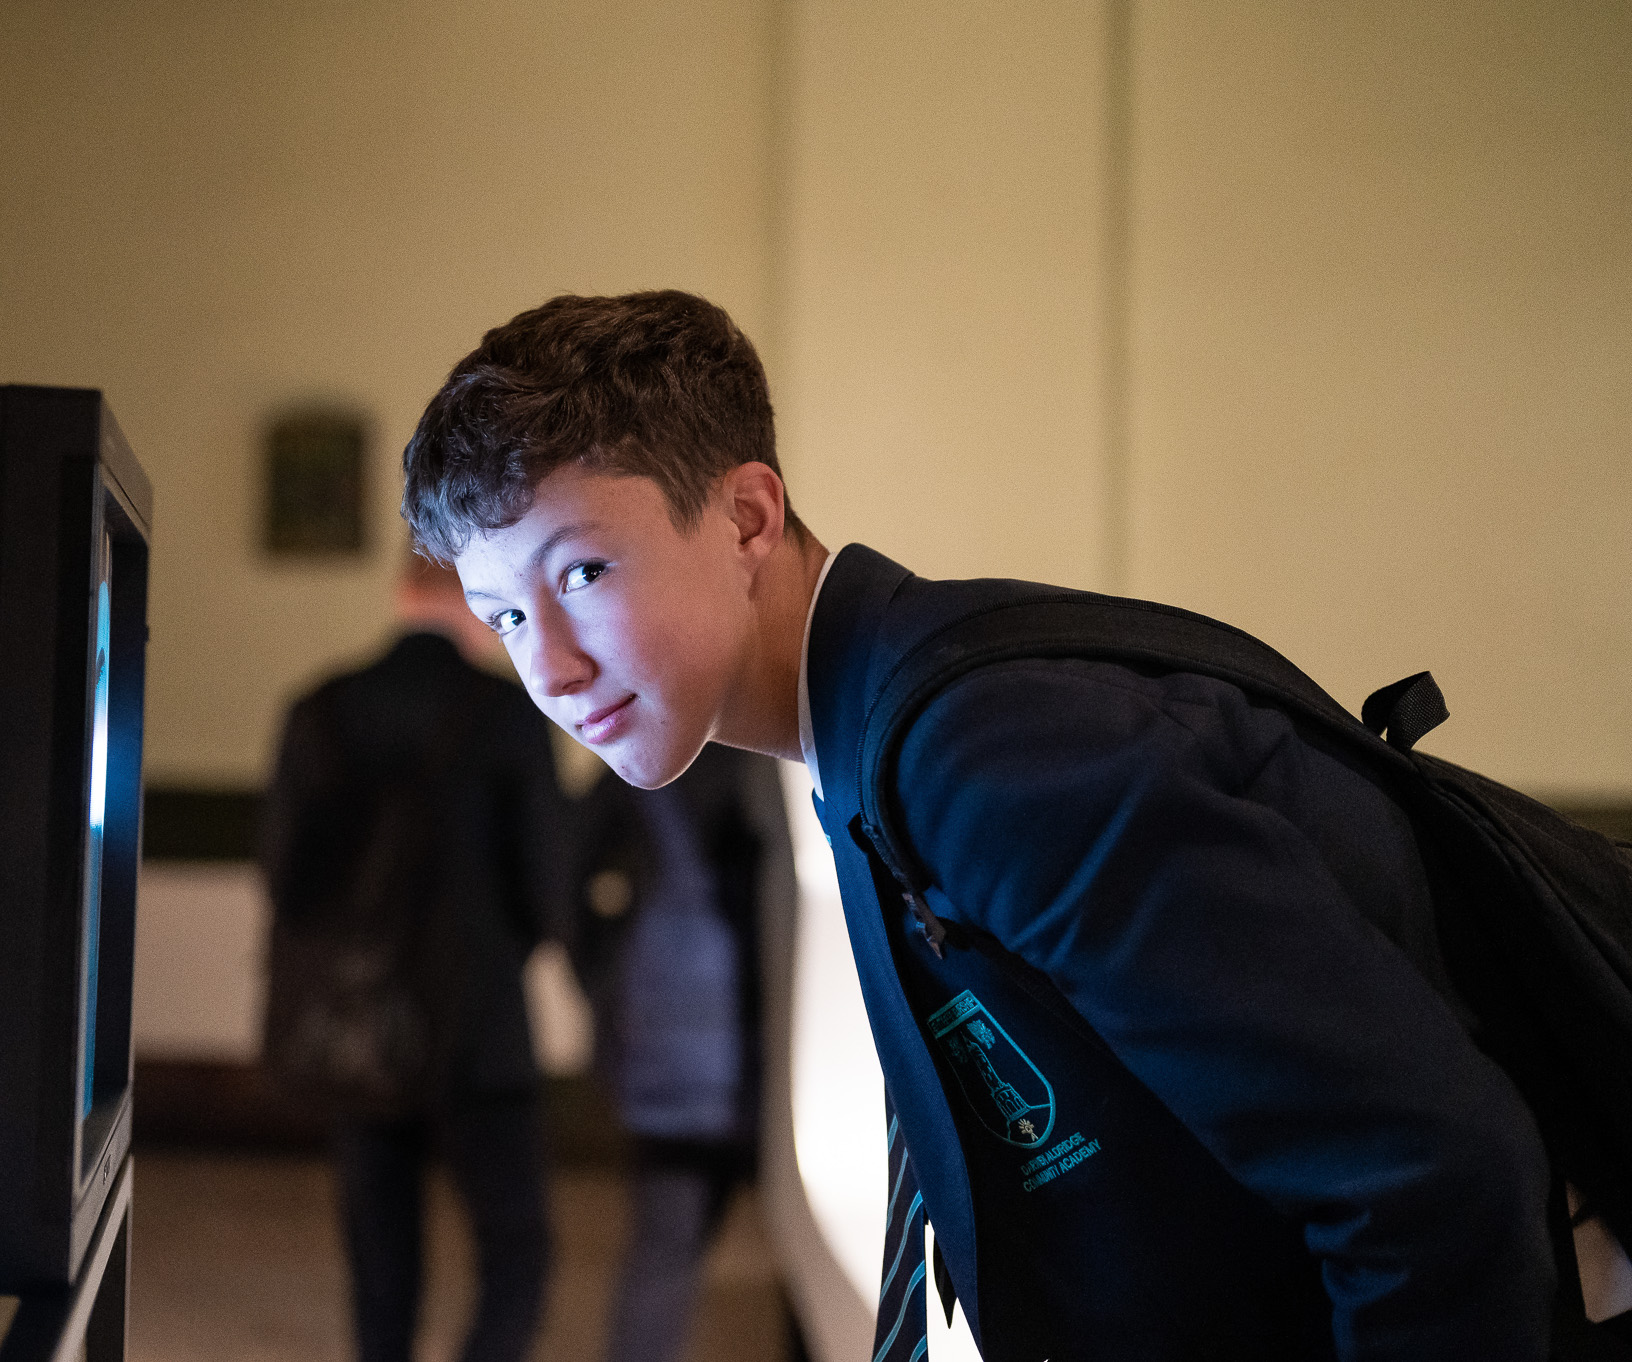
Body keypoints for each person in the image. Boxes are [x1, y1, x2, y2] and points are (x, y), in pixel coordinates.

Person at [396, 290, 1582, 1359]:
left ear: (748, 518)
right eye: (501, 614)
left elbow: (1429, 1177)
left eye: (582, 574)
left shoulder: (988, 750)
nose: (545, 666)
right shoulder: (879, 724)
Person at [261, 554, 568, 1362]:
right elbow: (546, 887)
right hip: (480, 1031)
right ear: (477, 599)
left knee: (381, 1264)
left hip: (356, 1029)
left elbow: (287, 885)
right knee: (517, 1251)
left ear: (401, 593)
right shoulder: (504, 716)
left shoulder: (318, 710)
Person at [572, 742, 788, 1362]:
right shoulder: (786, 754)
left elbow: (566, 876)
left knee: (666, 1246)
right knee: (818, 1252)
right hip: (785, 1035)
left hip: (673, 1051)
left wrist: (604, 977)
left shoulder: (640, 754)